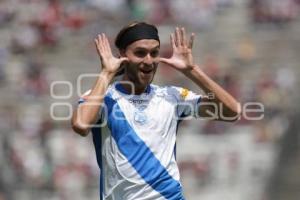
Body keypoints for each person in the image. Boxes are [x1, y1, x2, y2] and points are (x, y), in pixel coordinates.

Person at [71, 21, 241, 200]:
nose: (148, 61)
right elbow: (80, 125)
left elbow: (232, 111)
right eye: (140, 53)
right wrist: (106, 74)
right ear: (122, 55)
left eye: (154, 53)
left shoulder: (171, 97)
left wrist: (192, 71)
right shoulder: (102, 97)